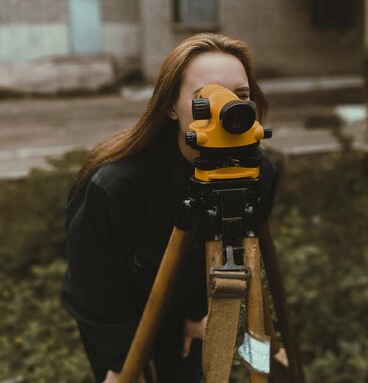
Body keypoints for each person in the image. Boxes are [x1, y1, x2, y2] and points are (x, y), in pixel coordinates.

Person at [61, 33, 278, 383]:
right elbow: (95, 287)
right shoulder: (116, 186)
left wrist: (200, 312)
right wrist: (120, 365)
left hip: (187, 306)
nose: (230, 110)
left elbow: (232, 249)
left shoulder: (259, 174)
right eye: (206, 98)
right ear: (170, 107)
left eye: (240, 97)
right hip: (120, 315)